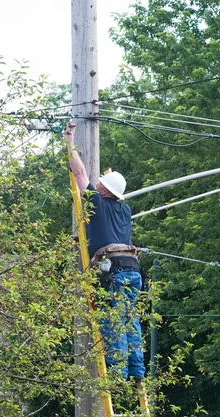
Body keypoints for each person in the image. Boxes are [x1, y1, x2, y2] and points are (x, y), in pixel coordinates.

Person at [65, 122, 145, 380]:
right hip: (133, 271)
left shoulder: (96, 202)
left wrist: (70, 141)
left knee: (113, 320)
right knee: (130, 321)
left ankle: (119, 373)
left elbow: (78, 173)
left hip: (114, 273)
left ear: (104, 190)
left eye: (100, 183)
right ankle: (137, 371)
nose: (95, 184)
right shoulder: (125, 210)